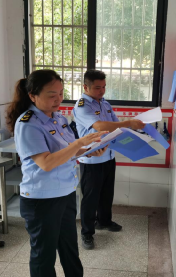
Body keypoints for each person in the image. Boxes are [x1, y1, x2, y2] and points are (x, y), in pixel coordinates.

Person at [6, 69, 108, 277]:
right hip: (41, 200)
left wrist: (88, 150)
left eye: (61, 93)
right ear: (33, 96)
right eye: (51, 95)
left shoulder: (59, 118)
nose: (58, 99)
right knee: (44, 255)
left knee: (69, 248)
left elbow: (67, 151)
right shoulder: (28, 125)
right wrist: (80, 143)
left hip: (65, 193)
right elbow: (46, 162)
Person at [73, 69, 145, 250]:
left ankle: (104, 221)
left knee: (106, 193)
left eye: (104, 87)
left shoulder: (104, 103)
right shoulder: (83, 105)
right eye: (97, 88)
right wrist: (129, 123)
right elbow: (100, 126)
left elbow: (115, 126)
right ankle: (87, 233)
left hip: (108, 155)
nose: (102, 91)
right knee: (90, 198)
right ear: (85, 87)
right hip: (91, 159)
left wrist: (136, 137)